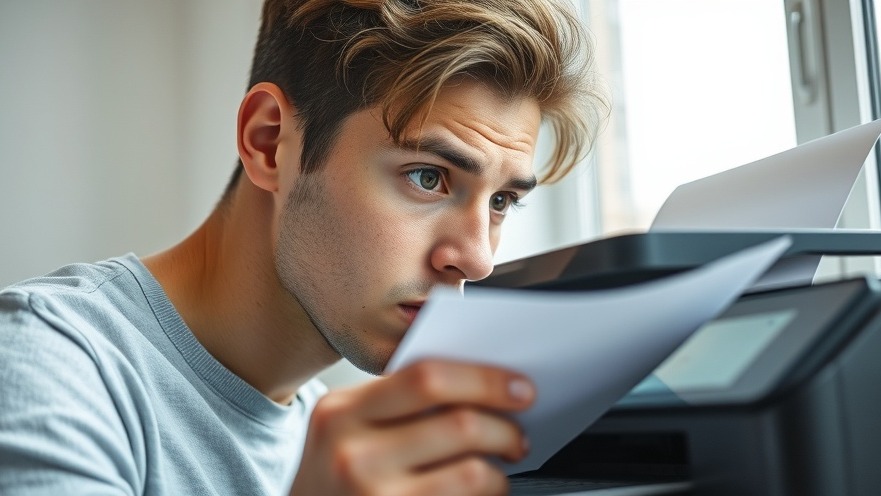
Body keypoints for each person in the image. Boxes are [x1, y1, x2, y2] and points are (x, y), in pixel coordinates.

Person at [0, 0, 606, 494]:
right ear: (269, 144)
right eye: (428, 177)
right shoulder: (44, 368)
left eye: (501, 201)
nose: (476, 258)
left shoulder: (344, 452)